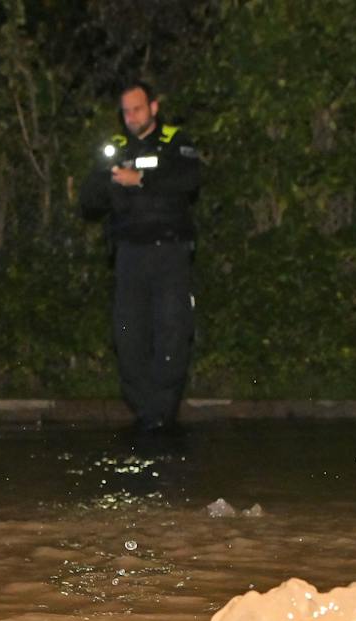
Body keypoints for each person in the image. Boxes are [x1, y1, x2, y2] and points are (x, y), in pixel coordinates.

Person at [79, 81, 202, 436]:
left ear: (153, 107)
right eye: (126, 111)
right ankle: (146, 411)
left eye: (137, 109)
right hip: (129, 254)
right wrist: (112, 182)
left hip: (170, 251)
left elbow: (188, 179)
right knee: (128, 334)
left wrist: (142, 180)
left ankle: (163, 414)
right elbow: (89, 198)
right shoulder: (116, 147)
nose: (131, 117)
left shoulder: (176, 141)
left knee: (172, 331)